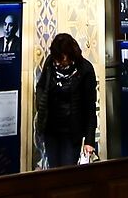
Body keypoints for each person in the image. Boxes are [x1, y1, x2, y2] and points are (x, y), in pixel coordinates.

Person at [35, 33, 96, 169]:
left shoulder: (85, 69)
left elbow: (90, 107)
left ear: (70, 54)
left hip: (72, 131)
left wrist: (89, 140)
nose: (58, 63)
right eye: (56, 58)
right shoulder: (50, 63)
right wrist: (41, 104)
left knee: (68, 171)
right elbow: (40, 85)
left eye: (61, 59)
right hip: (51, 129)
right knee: (54, 170)